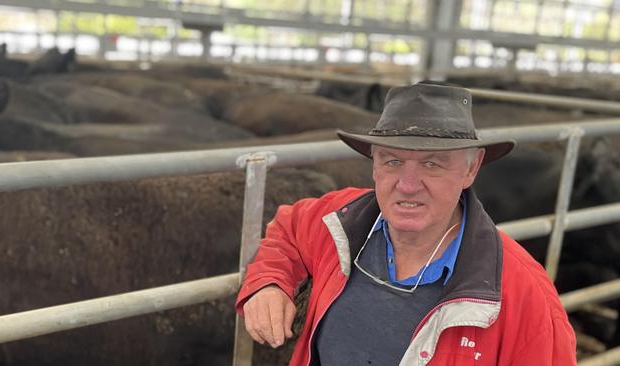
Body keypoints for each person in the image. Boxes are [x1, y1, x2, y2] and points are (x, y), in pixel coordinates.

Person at [235, 82, 577, 365]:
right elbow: (287, 231)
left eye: (432, 164)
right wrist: (270, 282)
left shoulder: (524, 295)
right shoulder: (340, 219)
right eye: (393, 161)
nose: (408, 184)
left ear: (471, 170)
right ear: (374, 165)